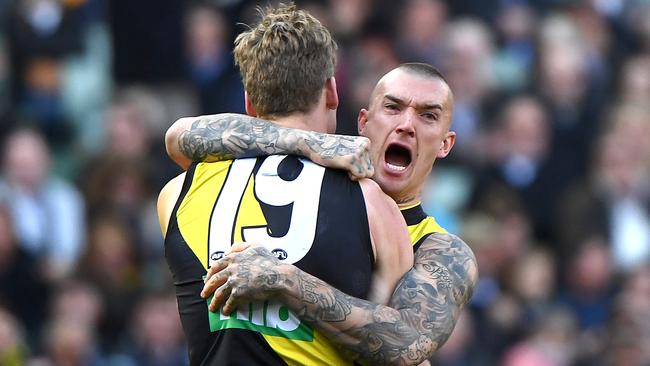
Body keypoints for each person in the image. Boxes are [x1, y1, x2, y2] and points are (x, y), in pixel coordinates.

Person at [166, 62, 478, 364]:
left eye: (428, 116)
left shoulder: (441, 250)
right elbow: (181, 136)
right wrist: (309, 142)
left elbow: (407, 344)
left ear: (445, 144)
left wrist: (286, 280)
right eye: (393, 108)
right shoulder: (299, 184)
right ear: (363, 122)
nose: (406, 125)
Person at [156, 4, 414, 365]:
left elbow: (182, 139)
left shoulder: (178, 194)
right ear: (332, 91)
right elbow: (400, 348)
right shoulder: (372, 204)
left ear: (248, 102)